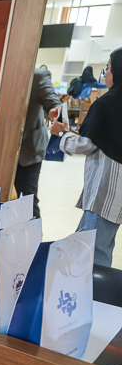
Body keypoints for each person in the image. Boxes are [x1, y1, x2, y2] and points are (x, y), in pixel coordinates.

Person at [51, 48, 122, 267]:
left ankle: (93, 288)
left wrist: (61, 133)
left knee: (94, 252)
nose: (106, 74)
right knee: (89, 242)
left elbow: (86, 144)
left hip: (105, 189)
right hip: (116, 193)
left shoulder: (107, 103)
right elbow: (100, 136)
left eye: (108, 69)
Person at [16, 67, 62, 219]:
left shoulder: (37, 76)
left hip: (28, 149)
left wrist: (57, 114)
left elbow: (54, 104)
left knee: (27, 199)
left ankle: (33, 233)